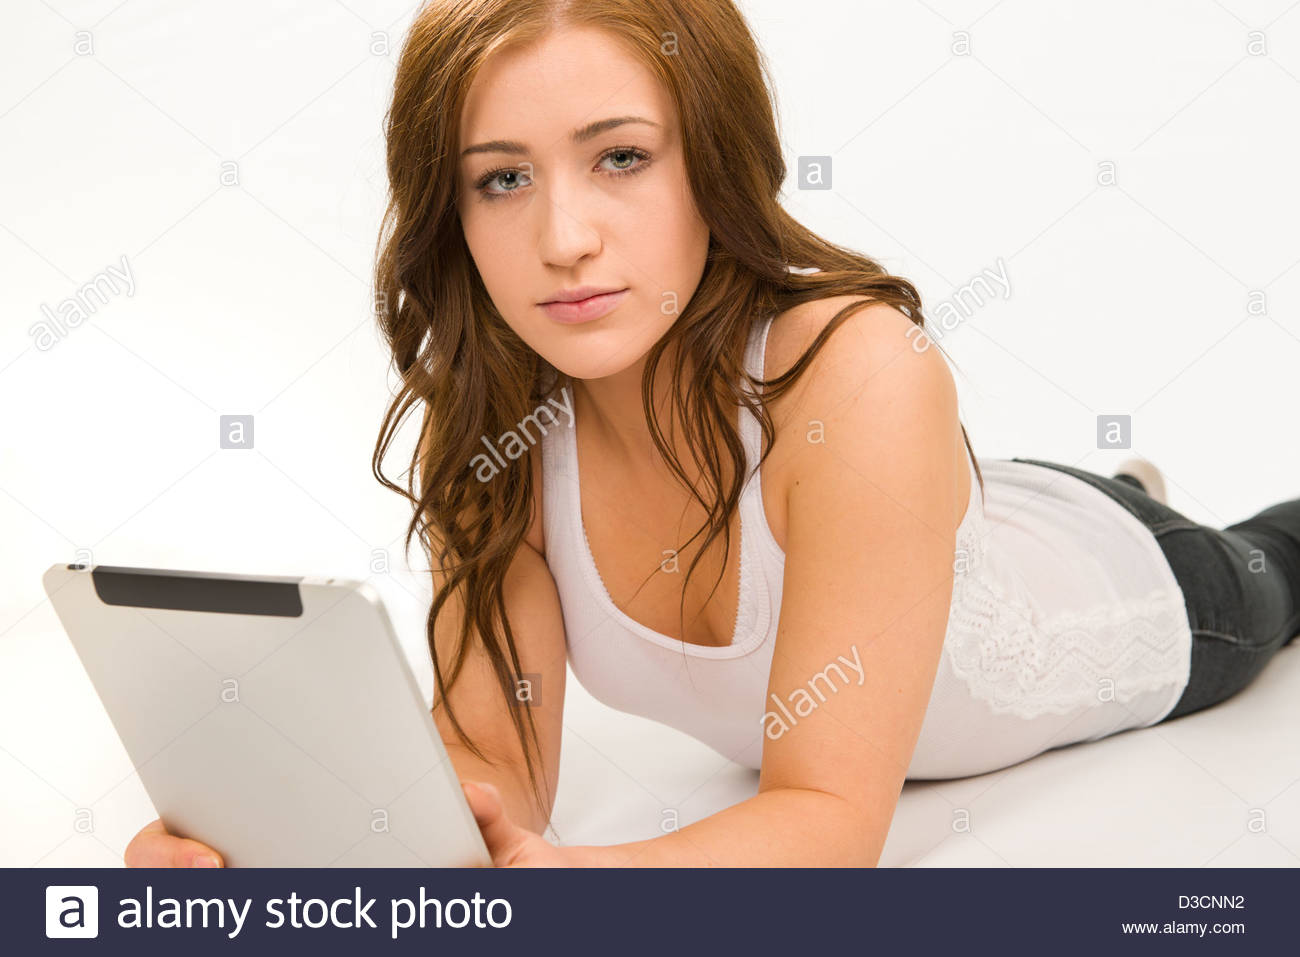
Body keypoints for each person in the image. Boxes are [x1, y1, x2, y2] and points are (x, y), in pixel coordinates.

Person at [124, 0, 1300, 869]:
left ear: (712, 162)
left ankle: (1126, 498)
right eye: (500, 180)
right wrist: (263, 848)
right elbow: (493, 768)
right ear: (454, 214)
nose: (564, 237)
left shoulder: (861, 370)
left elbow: (830, 828)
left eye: (620, 157)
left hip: (1142, 593)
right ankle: (1074, 484)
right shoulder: (501, 429)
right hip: (920, 509)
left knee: (1272, 561)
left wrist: (569, 891)